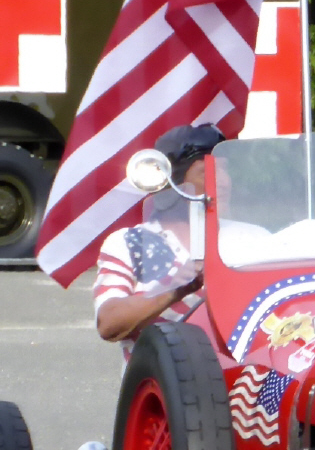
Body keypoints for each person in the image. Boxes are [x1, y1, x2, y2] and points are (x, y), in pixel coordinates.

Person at [93, 123, 224, 345]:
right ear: (175, 182)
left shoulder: (250, 238)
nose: (225, 182)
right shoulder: (130, 243)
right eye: (209, 172)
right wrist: (177, 289)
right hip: (165, 366)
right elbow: (109, 323)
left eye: (227, 172)